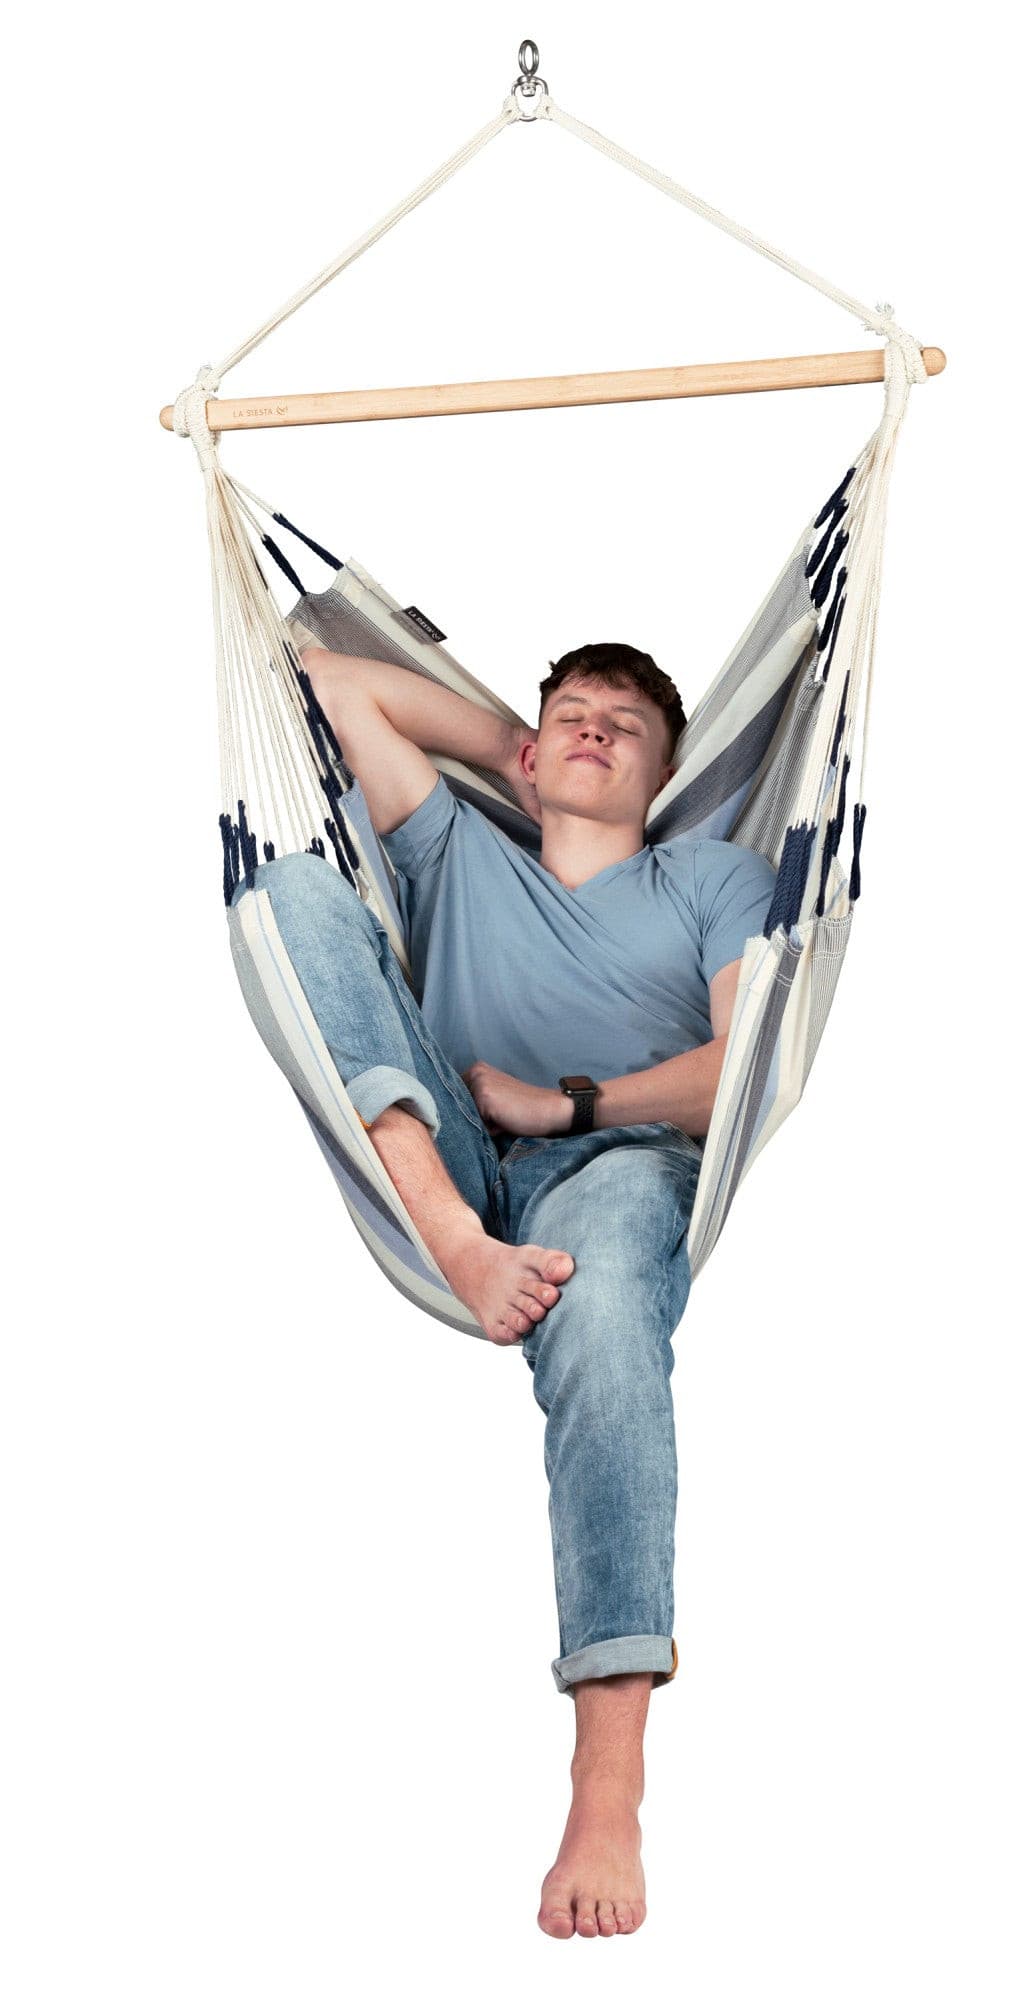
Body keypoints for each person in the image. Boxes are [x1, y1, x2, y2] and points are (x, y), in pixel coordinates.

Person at [247, 639, 776, 1938]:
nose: (595, 732)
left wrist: (566, 1101)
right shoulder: (456, 847)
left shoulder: (711, 876)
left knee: (605, 1319)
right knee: (292, 890)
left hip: (619, 1159)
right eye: (572, 716)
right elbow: (320, 675)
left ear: (663, 775)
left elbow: (739, 1065)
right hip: (453, 1157)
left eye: (625, 728)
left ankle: (607, 1783)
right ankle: (455, 1244)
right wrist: (511, 754)